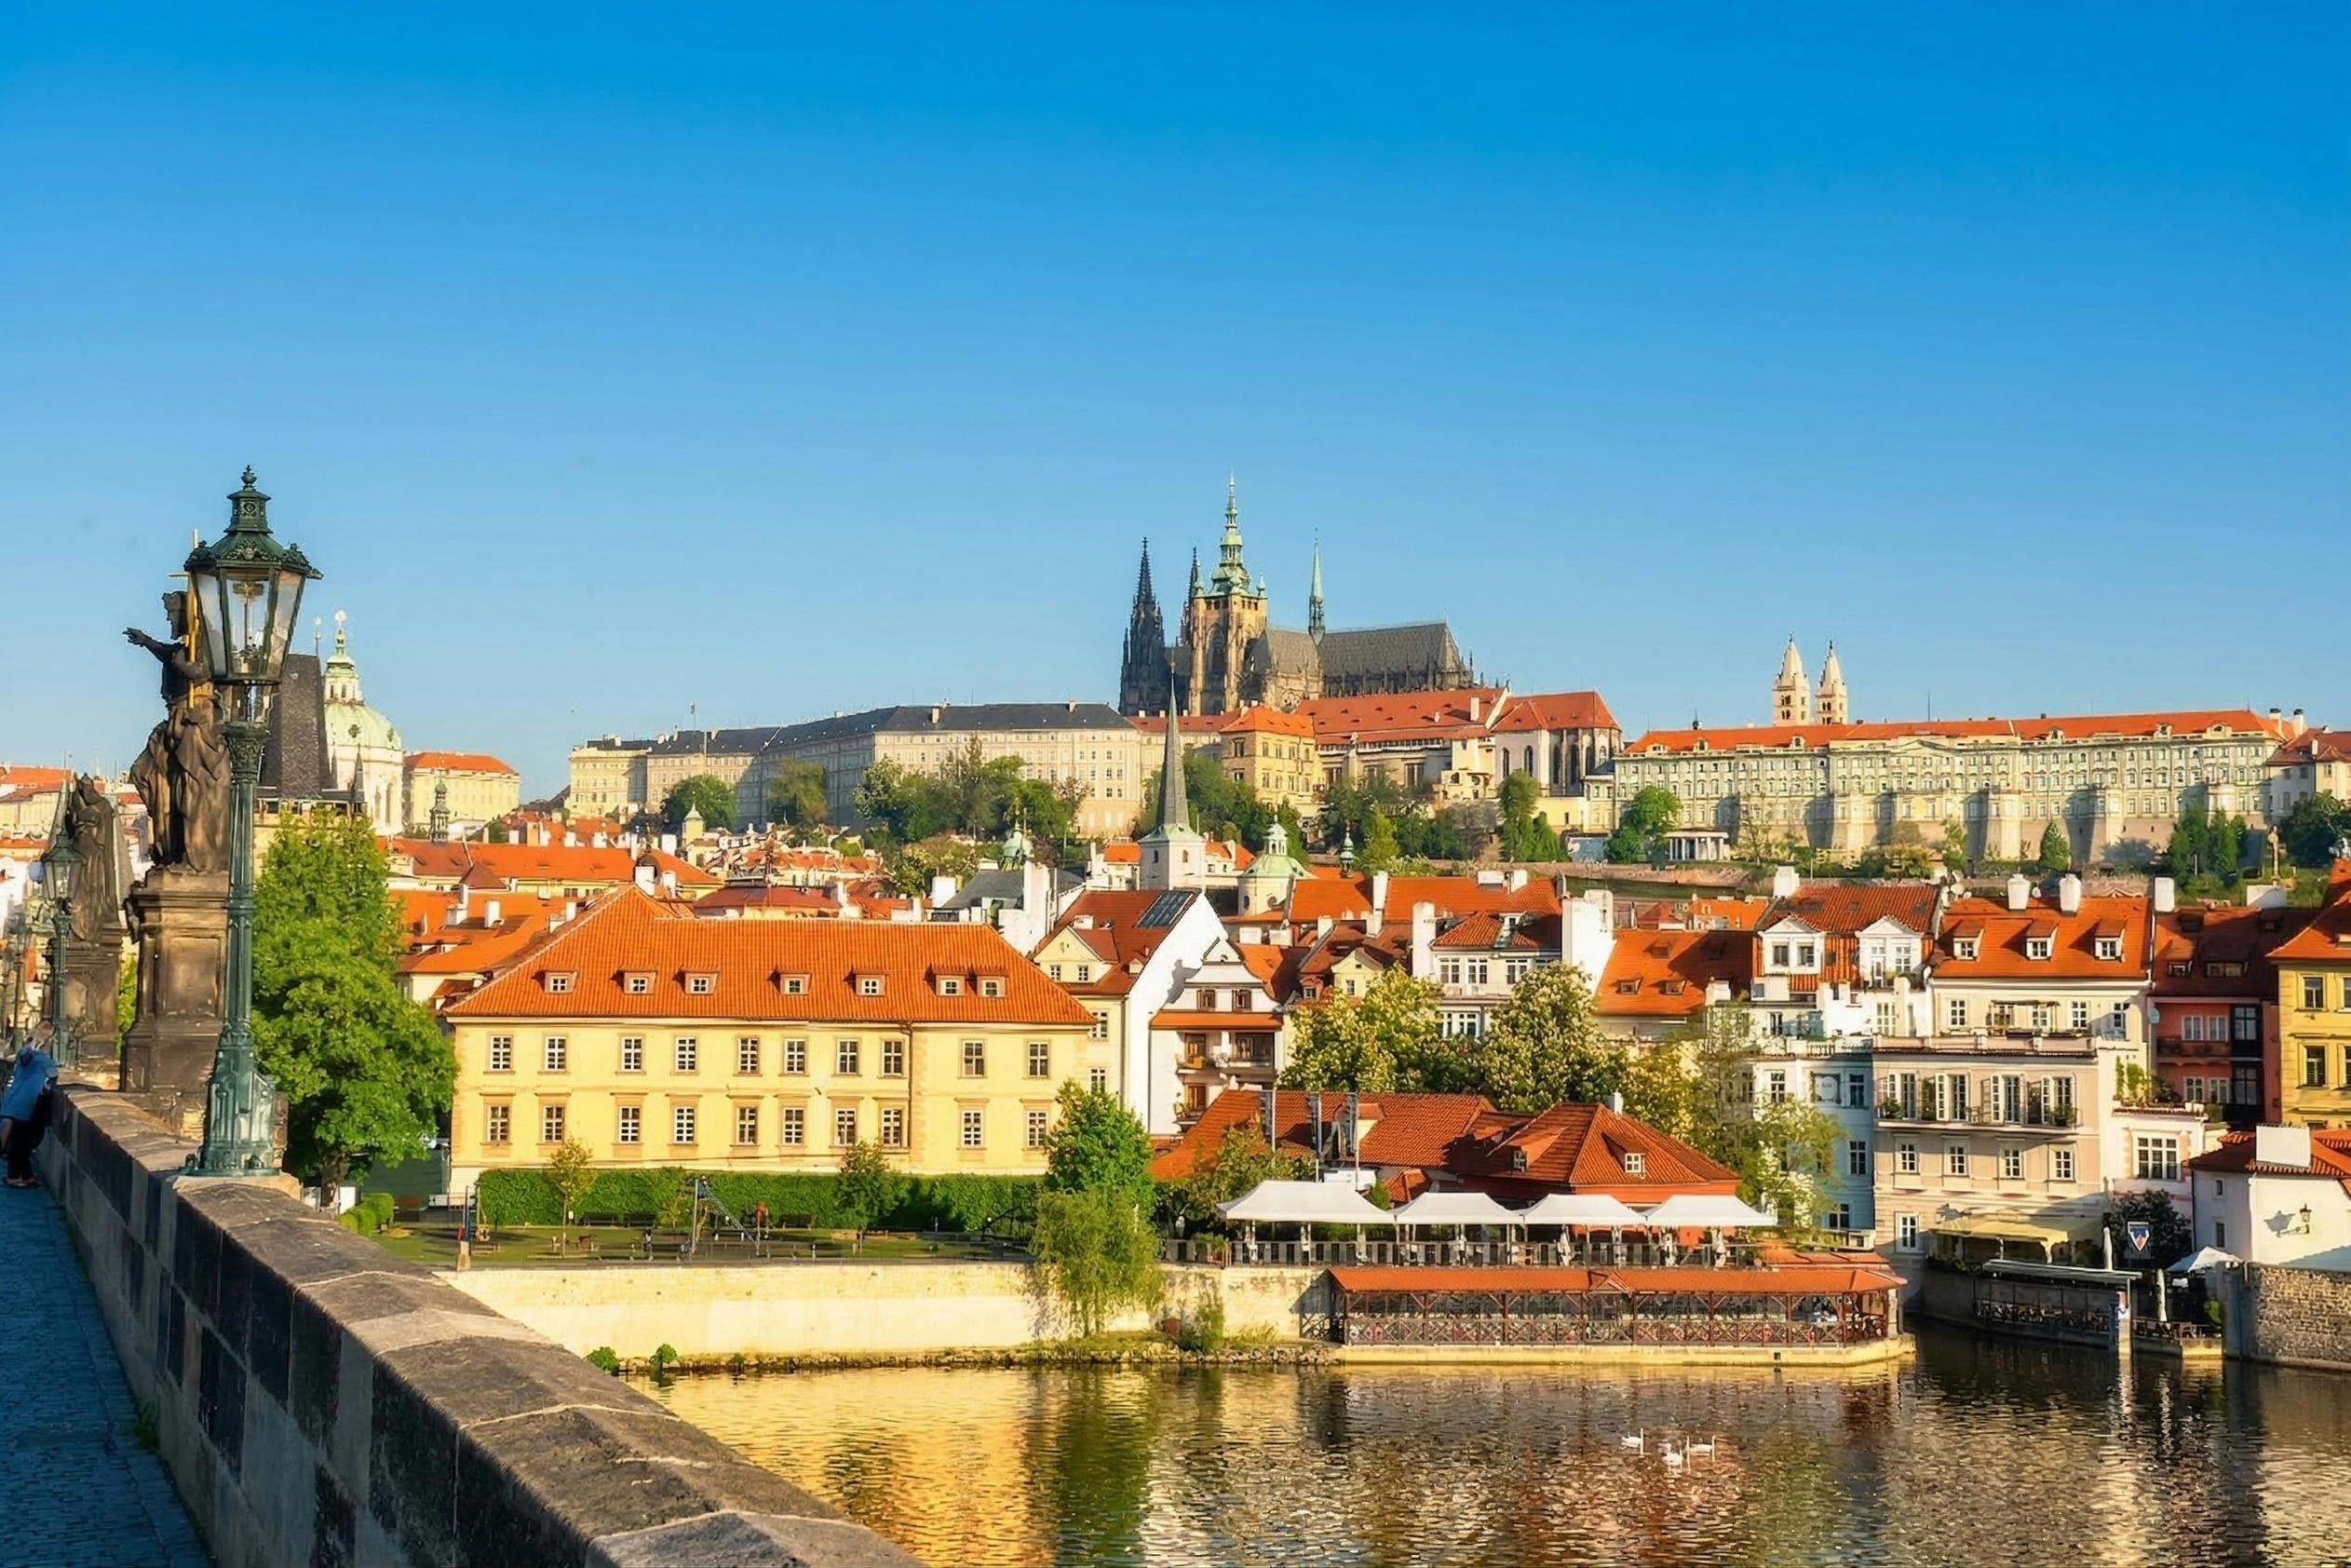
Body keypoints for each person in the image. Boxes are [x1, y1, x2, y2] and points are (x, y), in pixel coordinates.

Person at [1, 1044, 59, 1188]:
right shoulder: (44, 1061)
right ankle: (17, 1176)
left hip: (14, 1103)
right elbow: (53, 1077)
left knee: (18, 1143)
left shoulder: (24, 1058)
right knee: (23, 1144)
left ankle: (23, 1176)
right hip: (29, 1105)